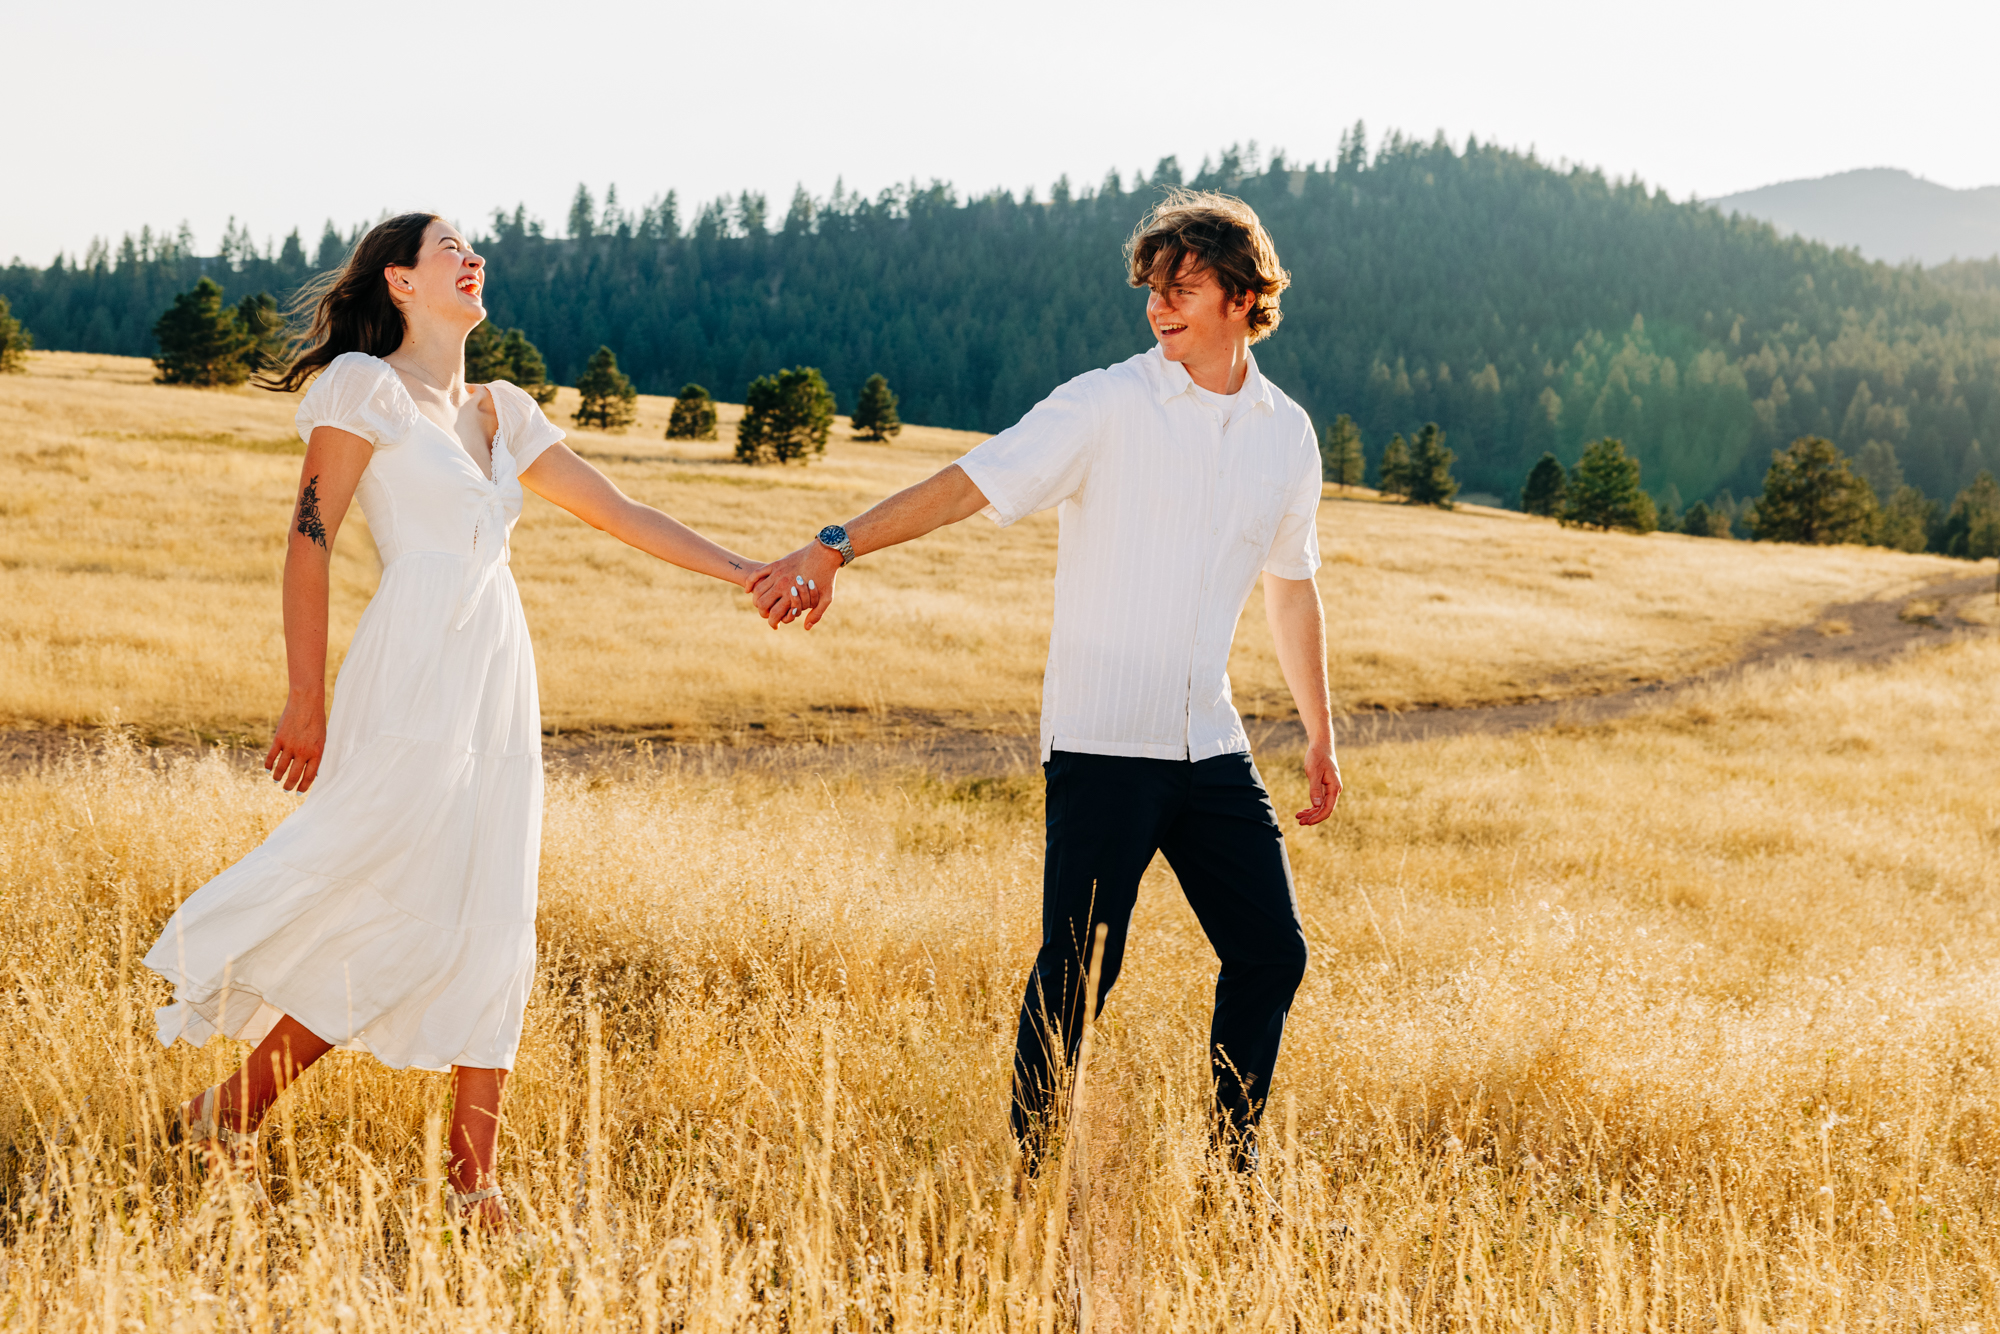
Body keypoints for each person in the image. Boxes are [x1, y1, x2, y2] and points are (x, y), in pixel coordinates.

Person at [143, 213, 766, 1228]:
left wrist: (745, 570)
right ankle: (229, 1109)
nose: (475, 258)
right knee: (381, 884)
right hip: (412, 664)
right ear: (399, 280)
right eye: (451, 248)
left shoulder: (501, 408)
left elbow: (620, 510)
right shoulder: (361, 388)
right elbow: (310, 540)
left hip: (496, 673)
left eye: (478, 247)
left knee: (492, 903)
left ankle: (470, 1178)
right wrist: (307, 698)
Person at [750, 189, 1340, 1175]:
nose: (1158, 307)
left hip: (1211, 742)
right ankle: (1032, 1168)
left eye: (1182, 288)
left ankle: (1230, 1158)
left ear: (1243, 297)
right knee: (1076, 972)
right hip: (1104, 740)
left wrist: (1318, 731)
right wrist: (838, 542)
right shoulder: (1104, 404)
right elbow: (969, 481)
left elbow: (1291, 587)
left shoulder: (1287, 435)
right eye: (1151, 289)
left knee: (1271, 951)